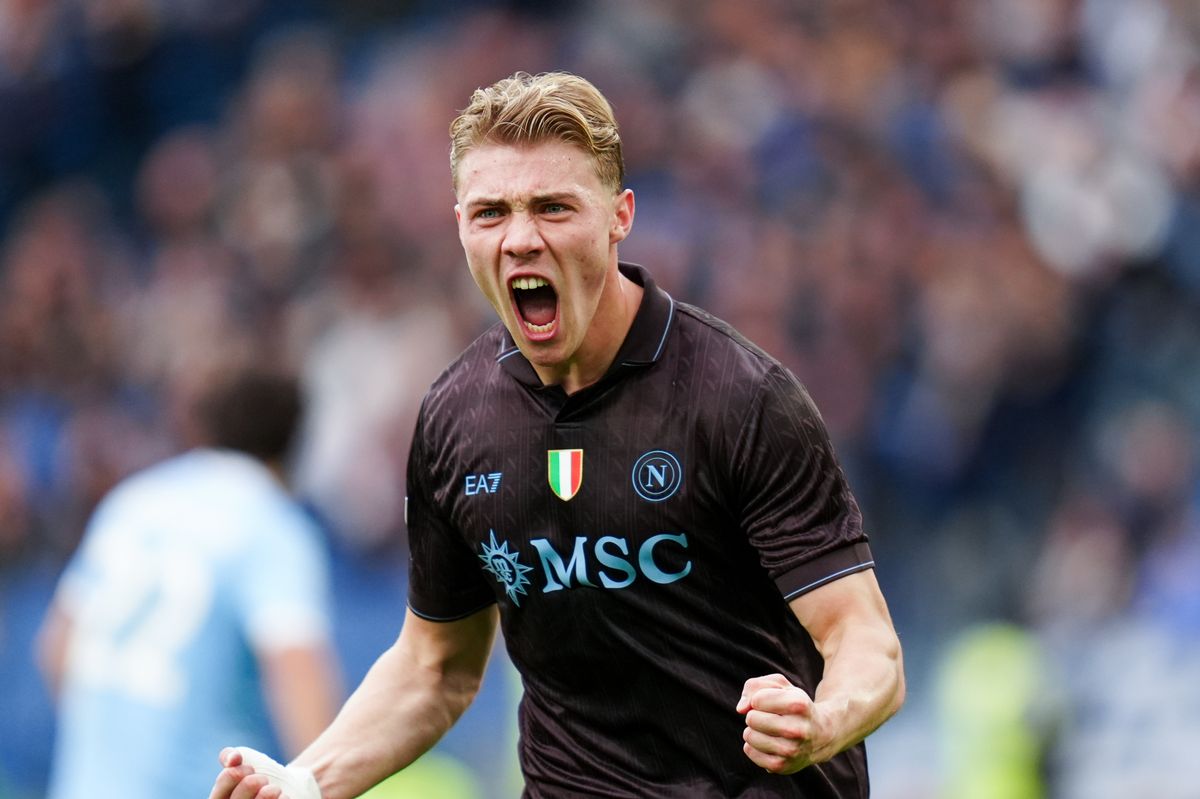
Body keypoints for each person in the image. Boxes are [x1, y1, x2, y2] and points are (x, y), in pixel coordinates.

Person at [210, 71, 904, 799]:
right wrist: (304, 781)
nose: (519, 239)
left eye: (552, 207)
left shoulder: (741, 398)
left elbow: (866, 644)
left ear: (620, 215)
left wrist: (822, 720)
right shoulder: (455, 419)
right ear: (459, 226)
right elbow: (434, 668)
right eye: (491, 213)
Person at [37, 366, 343, 799]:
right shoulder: (271, 527)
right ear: (295, 441)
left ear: (203, 427)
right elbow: (299, 681)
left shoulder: (134, 502)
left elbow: (55, 650)